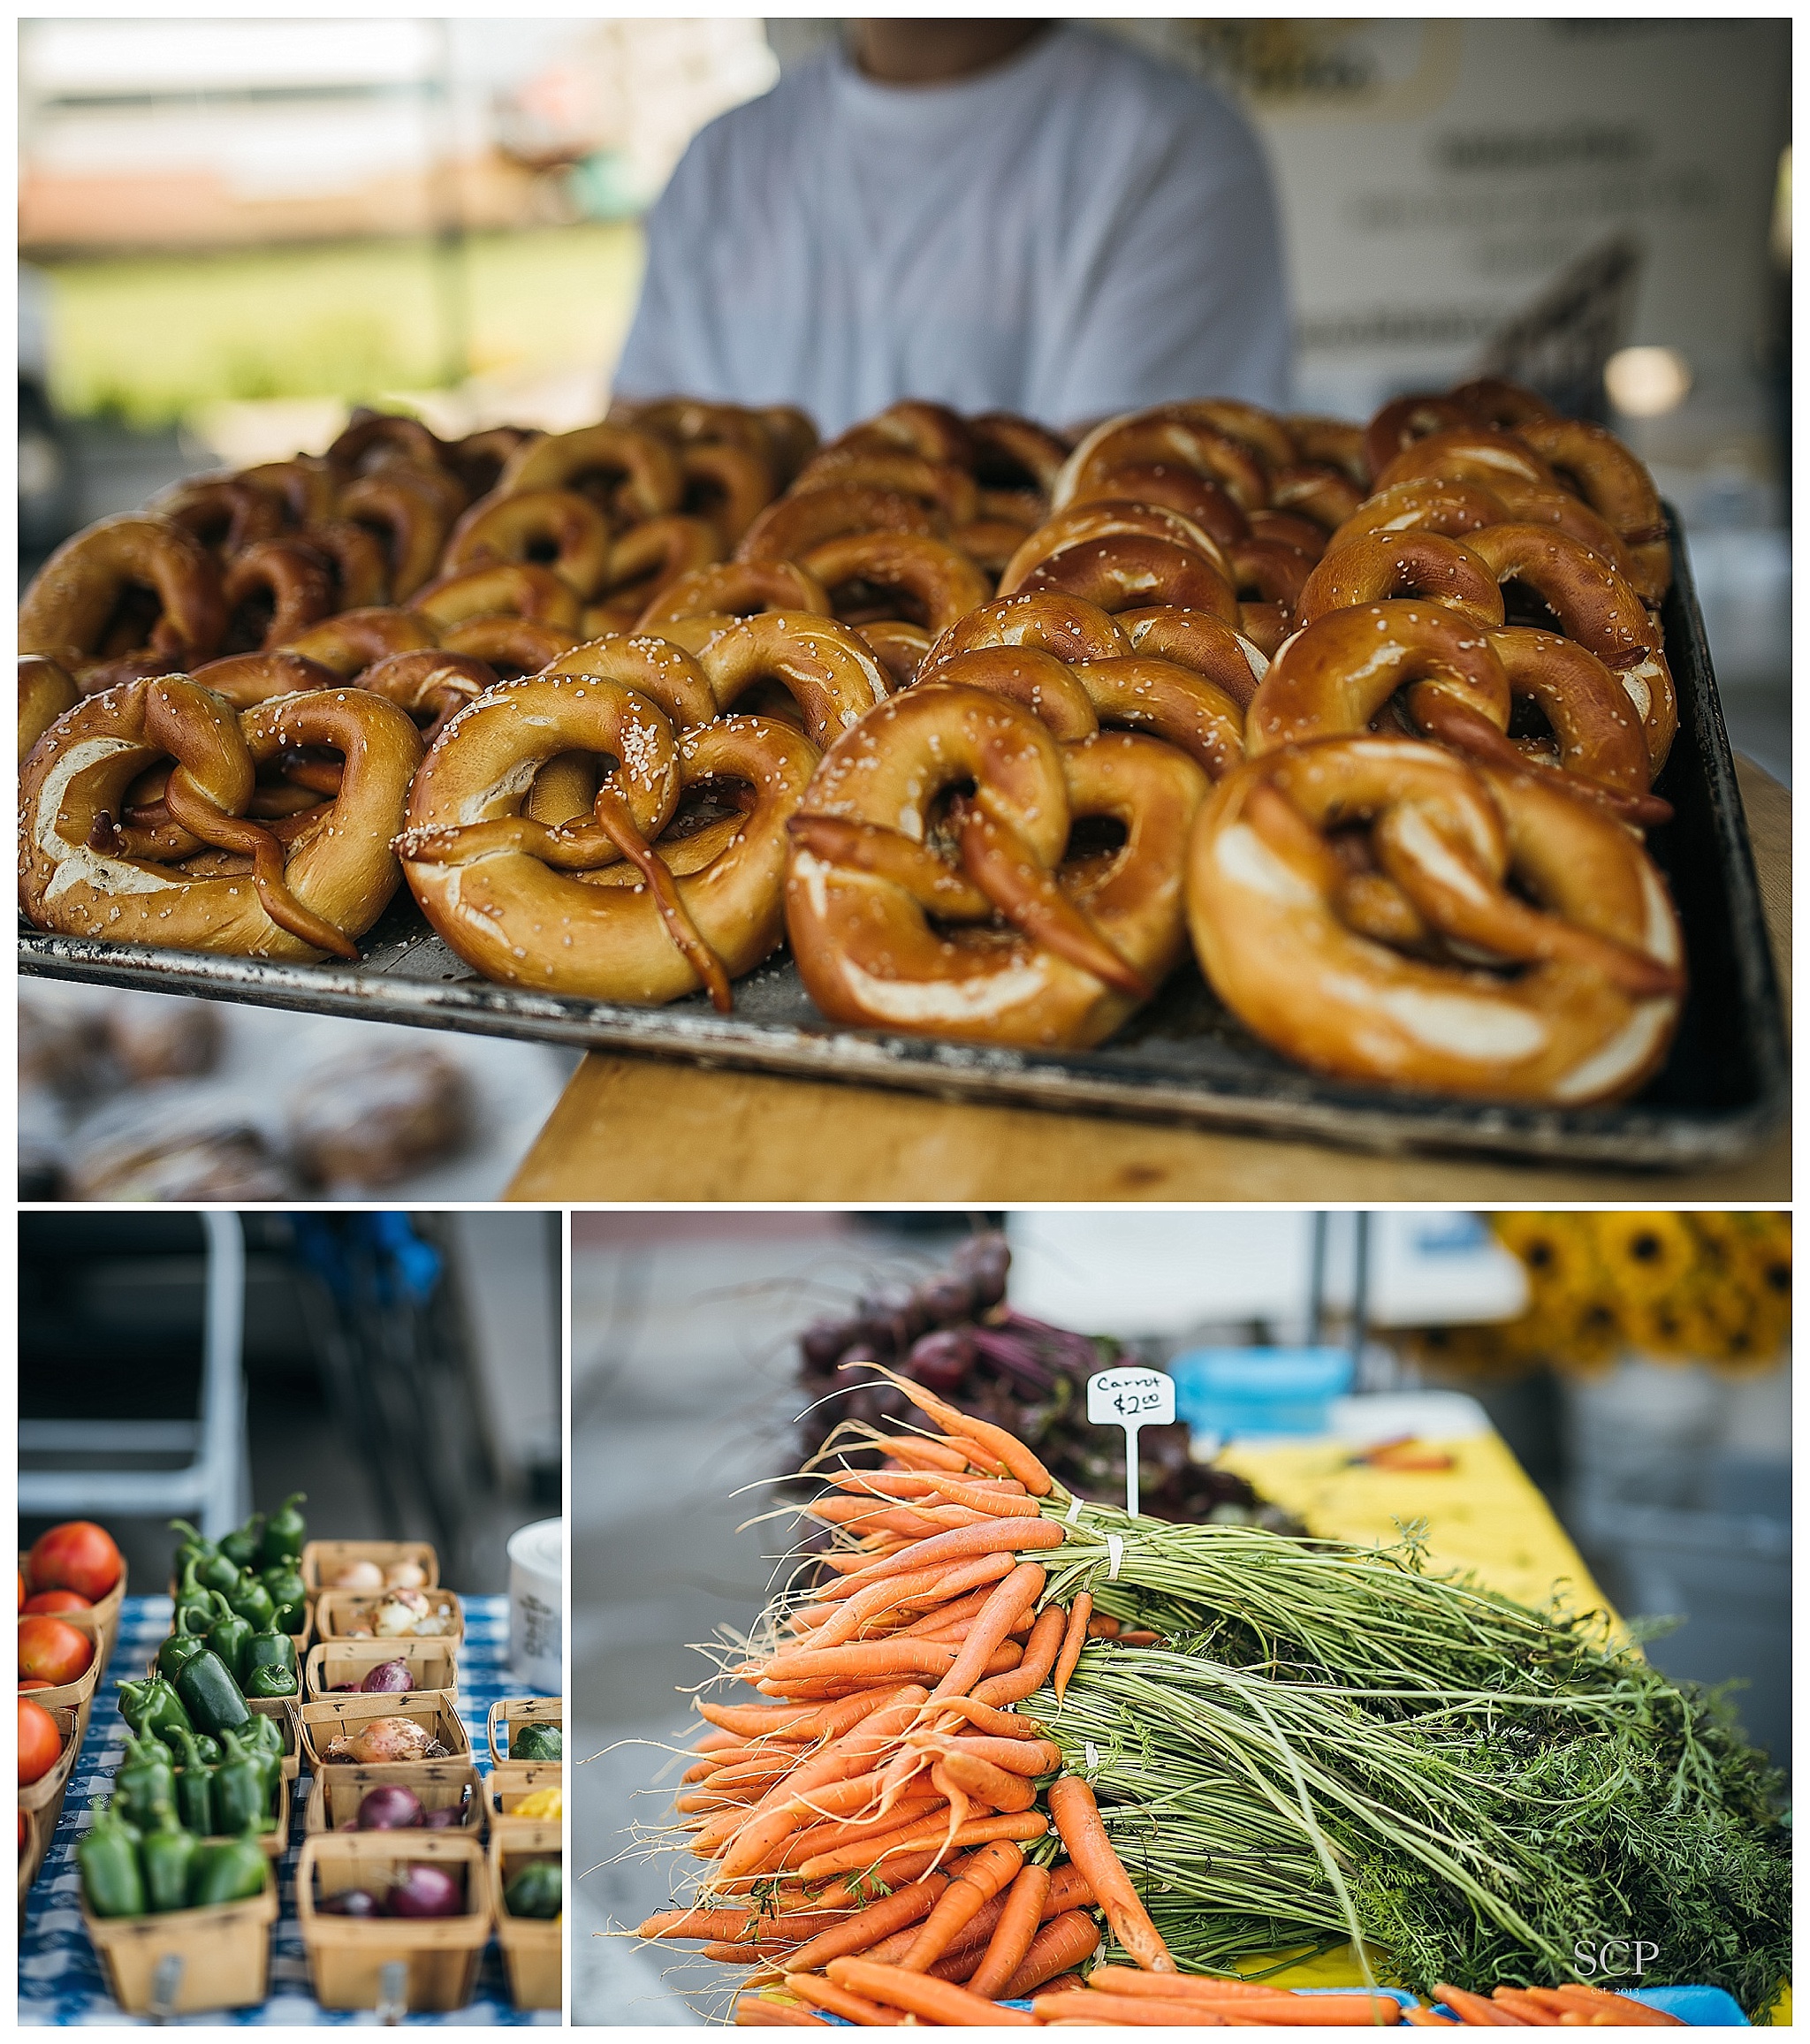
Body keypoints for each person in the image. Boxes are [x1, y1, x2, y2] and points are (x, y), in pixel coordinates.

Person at [612, 20, 1291, 437]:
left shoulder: (1169, 145)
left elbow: (1126, 522)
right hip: (727, 668)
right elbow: (633, 463)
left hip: (1037, 670)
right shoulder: (720, 162)